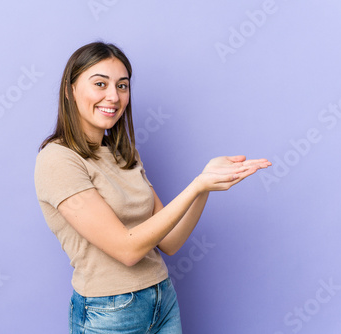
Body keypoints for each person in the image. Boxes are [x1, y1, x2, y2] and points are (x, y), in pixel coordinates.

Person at [34, 41, 271, 333]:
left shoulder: (122, 153)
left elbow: (170, 241)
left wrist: (206, 185)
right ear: (70, 90)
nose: (113, 96)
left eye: (122, 86)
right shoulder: (58, 160)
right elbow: (128, 249)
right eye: (100, 83)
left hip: (162, 298)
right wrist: (196, 186)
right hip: (110, 311)